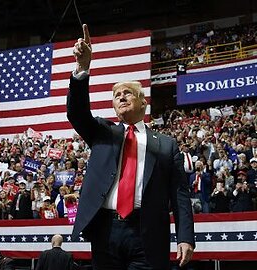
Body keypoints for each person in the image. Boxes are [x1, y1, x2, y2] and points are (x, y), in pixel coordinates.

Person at [67, 24, 195, 270]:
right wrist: (82, 69)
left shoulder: (167, 145)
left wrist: (185, 236)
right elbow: (77, 113)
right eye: (117, 95)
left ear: (142, 102)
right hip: (105, 230)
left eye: (128, 93)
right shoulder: (102, 132)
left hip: (147, 232)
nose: (122, 97)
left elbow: (180, 194)